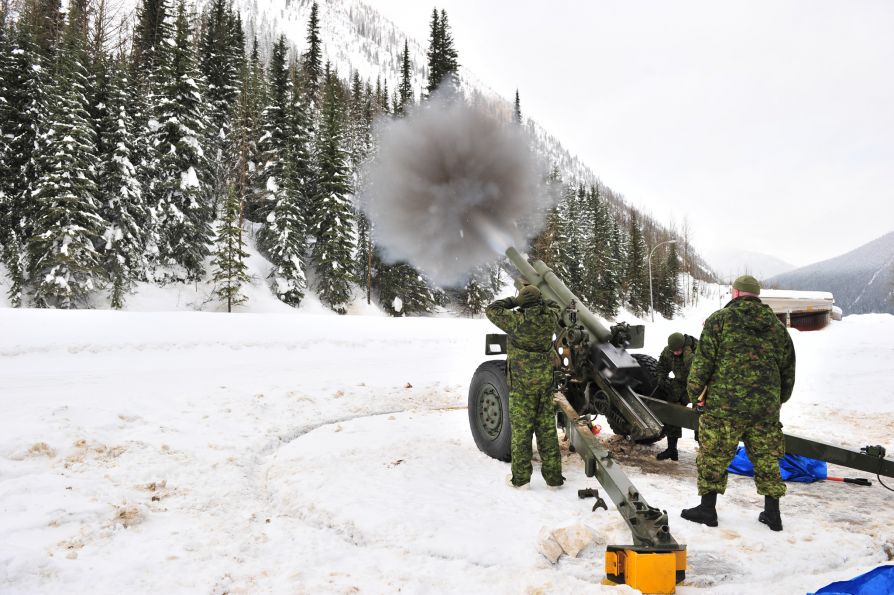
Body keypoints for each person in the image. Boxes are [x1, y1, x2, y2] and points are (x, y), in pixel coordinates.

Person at [680, 275, 796, 531]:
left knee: (714, 455)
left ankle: (707, 510)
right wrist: (778, 399)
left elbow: (702, 363)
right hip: (765, 407)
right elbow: (788, 368)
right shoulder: (776, 327)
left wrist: (695, 395)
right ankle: (772, 514)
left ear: (736, 294)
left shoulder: (719, 320)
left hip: (724, 405)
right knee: (766, 457)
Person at [485, 285, 564, 488]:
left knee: (521, 434)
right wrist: (539, 301)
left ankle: (520, 480)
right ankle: (554, 480)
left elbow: (491, 309)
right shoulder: (550, 319)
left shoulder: (516, 322)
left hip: (521, 389)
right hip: (545, 386)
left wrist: (514, 301)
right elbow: (554, 305)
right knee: (547, 432)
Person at [654, 332, 698, 461]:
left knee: (700, 416)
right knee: (672, 410)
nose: (676, 353)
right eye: (674, 351)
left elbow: (698, 369)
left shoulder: (699, 349)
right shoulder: (669, 351)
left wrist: (687, 353)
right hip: (680, 382)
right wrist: (661, 377)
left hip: (700, 385)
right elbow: (662, 365)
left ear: (684, 346)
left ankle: (704, 453)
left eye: (678, 350)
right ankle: (672, 449)